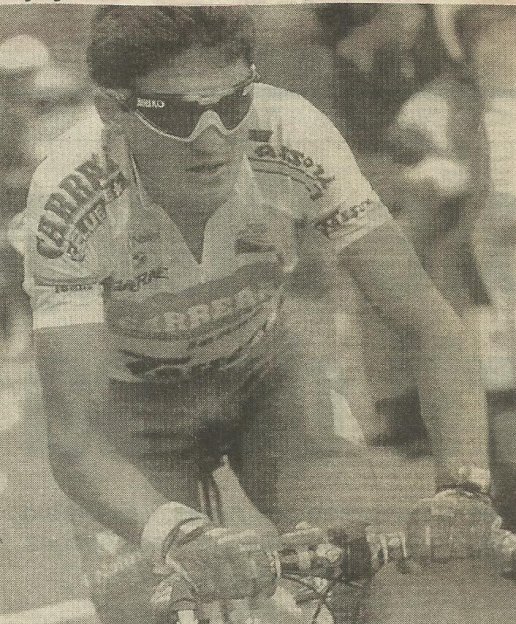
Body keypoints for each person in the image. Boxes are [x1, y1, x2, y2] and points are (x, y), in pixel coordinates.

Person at [22, 7, 502, 623]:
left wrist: (463, 485)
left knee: (355, 561)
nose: (212, 137)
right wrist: (180, 536)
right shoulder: (70, 195)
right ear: (112, 110)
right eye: (176, 114)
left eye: (232, 103)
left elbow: (427, 320)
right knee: (148, 603)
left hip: (264, 379)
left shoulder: (293, 134)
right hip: (131, 409)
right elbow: (76, 438)